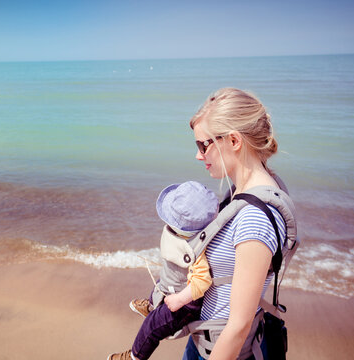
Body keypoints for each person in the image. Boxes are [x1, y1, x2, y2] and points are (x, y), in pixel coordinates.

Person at [182, 87, 292, 360]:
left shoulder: (255, 217)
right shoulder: (248, 189)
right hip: (207, 338)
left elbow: (239, 325)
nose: (198, 155)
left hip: (223, 349)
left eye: (203, 145)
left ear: (233, 140)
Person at [108, 181, 219, 360]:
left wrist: (180, 300)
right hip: (171, 285)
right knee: (161, 282)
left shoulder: (198, 250)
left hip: (186, 304)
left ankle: (136, 355)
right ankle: (152, 306)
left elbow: (202, 281)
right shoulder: (177, 234)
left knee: (151, 326)